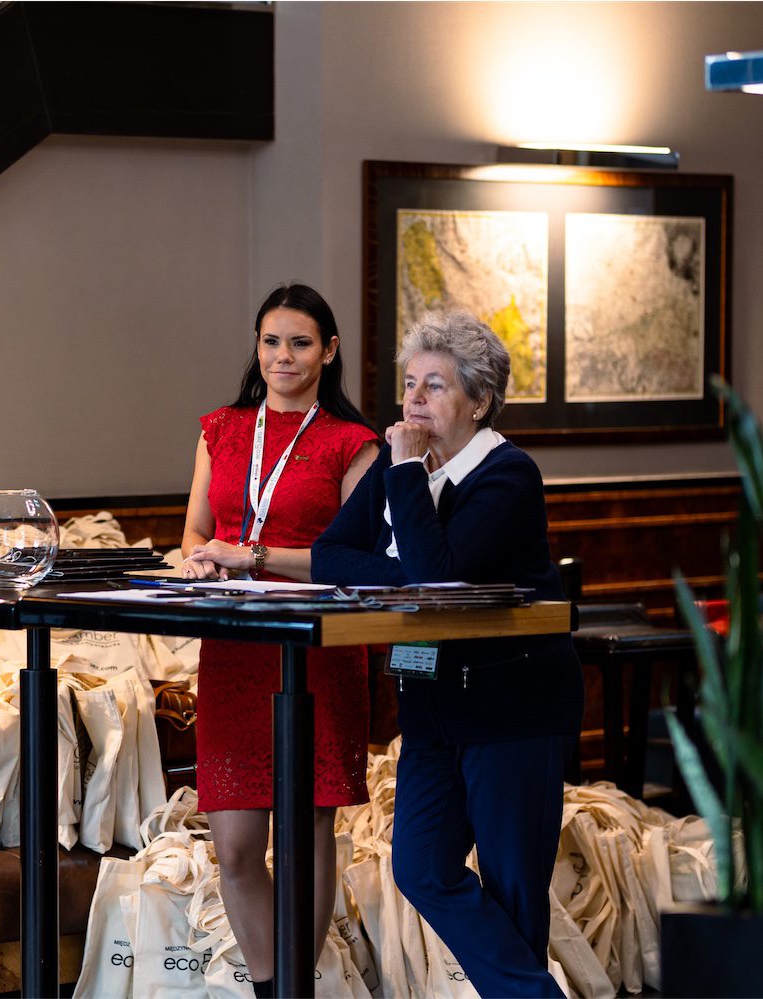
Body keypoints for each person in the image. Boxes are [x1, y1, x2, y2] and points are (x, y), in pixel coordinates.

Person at [311, 310, 583, 998]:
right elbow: (328, 554)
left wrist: (406, 477)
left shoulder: (506, 475)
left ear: (480, 400)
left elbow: (437, 575)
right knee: (421, 867)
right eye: (409, 384)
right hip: (430, 707)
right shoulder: (398, 464)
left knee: (514, 885)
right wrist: (408, 565)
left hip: (511, 709)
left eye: (434, 385)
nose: (415, 400)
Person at [181, 283, 378, 995]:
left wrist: (255, 555)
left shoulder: (353, 443)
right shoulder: (220, 429)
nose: (282, 356)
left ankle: (294, 987)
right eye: (271, 342)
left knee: (305, 833)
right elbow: (195, 532)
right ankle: (276, 986)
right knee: (234, 848)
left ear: (328, 350)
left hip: (315, 647)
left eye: (299, 342)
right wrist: (202, 559)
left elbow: (356, 560)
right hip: (232, 645)